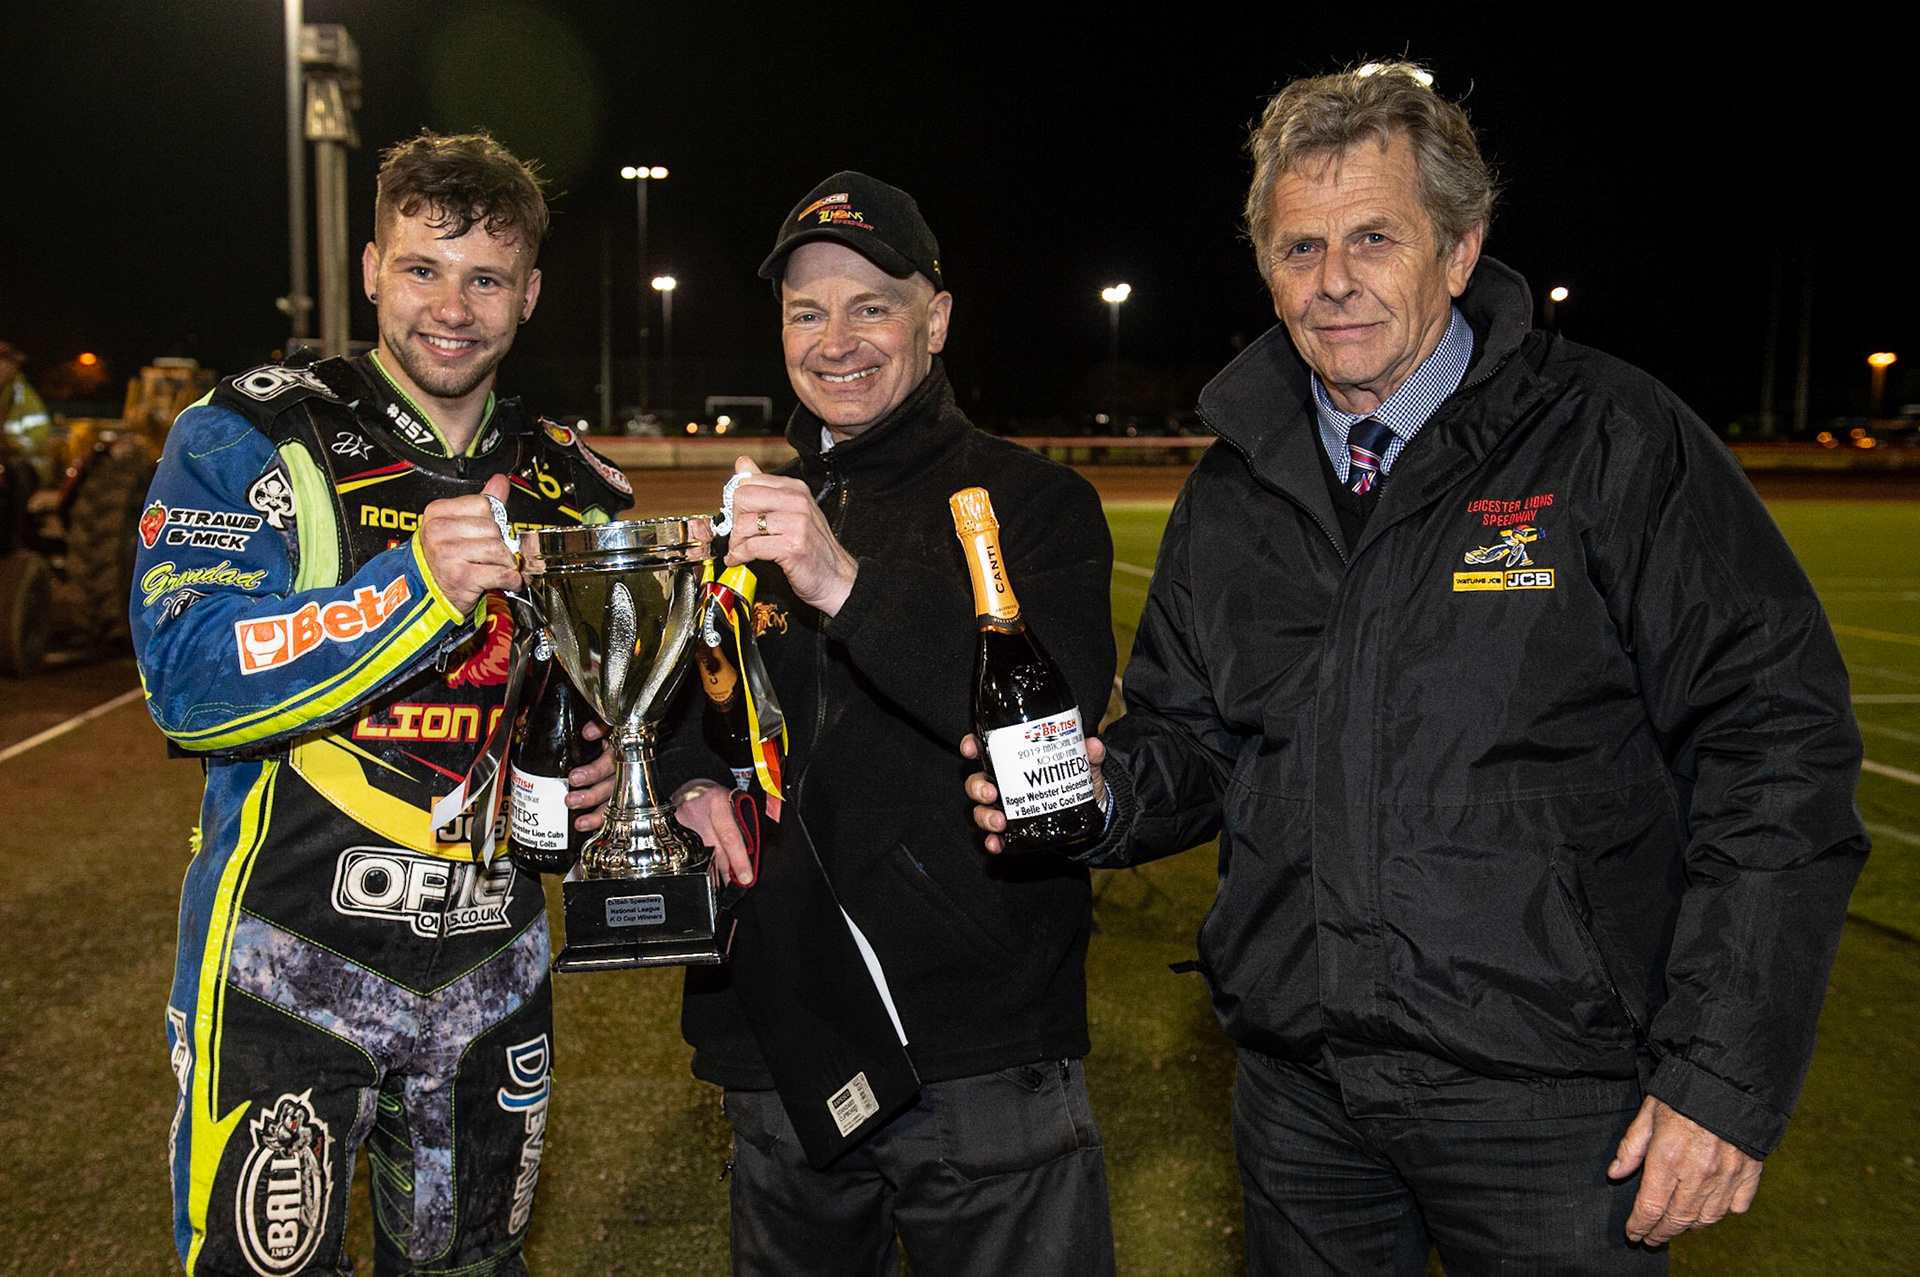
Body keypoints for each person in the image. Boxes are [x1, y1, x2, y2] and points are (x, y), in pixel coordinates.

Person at [968, 62, 1869, 1275]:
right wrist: (1105, 788)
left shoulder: (1611, 437)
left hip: (1554, 1103)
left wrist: (1722, 1073)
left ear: (1459, 247)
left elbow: (1777, 742)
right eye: (1298, 248)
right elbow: (1194, 737)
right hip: (1301, 1094)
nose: (1332, 280)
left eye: (1373, 237)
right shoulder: (1235, 487)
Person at [136, 130, 633, 1275]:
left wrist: (598, 777)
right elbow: (190, 678)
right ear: (369, 267)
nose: (451, 307)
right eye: (422, 267)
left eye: (486, 277)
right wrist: (415, 588)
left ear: (531, 293)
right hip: (285, 963)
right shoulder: (252, 432)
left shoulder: (576, 479)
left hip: (493, 975)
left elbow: (586, 710)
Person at [667, 171, 1119, 1276]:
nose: (837, 339)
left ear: (938, 316)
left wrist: (845, 581)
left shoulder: (1034, 504)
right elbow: (691, 712)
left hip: (982, 1058)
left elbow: (1050, 727)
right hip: (783, 1039)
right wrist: (685, 782)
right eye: (806, 310)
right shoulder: (747, 517)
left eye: (872, 303)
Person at [0, 339, 54, 489]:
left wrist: (12, 447)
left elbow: (39, 437)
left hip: (28, 466)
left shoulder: (24, 398)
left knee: (15, 472)